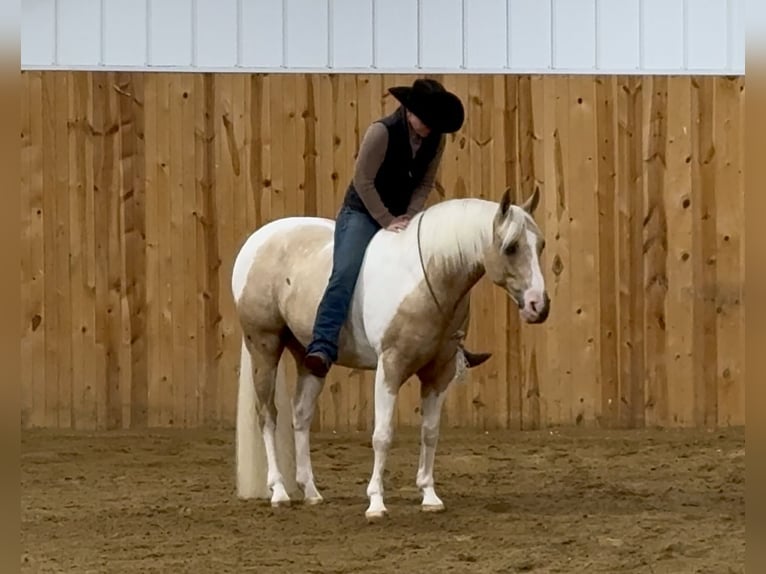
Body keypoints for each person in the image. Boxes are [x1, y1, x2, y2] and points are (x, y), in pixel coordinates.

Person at [303, 78, 465, 379]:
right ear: (409, 111)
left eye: (434, 123)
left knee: (438, 267)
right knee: (344, 271)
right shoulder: (381, 132)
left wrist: (410, 217)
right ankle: (322, 343)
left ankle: (451, 344)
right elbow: (362, 181)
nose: (429, 128)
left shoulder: (435, 139)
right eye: (426, 121)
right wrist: (387, 220)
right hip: (363, 211)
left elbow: (425, 183)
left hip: (403, 213)